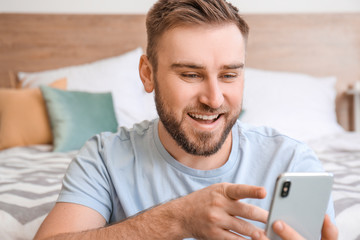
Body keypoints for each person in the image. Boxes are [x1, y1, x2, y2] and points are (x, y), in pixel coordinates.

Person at [34, 0, 338, 239]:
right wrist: (178, 219)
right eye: (191, 74)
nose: (214, 99)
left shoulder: (293, 164)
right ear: (148, 74)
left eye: (229, 75)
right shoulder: (104, 158)